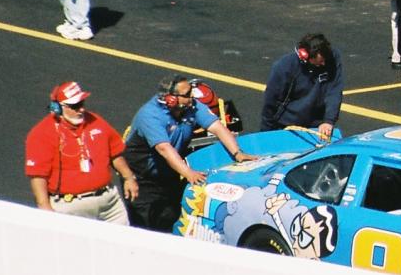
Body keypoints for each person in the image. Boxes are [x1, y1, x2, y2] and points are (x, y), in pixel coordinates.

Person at [124, 75, 253, 232]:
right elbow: (165, 149)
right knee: (147, 224)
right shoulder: (150, 116)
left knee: (175, 216)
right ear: (171, 99)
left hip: (168, 171)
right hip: (142, 178)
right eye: (187, 94)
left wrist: (237, 153)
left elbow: (217, 127)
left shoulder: (192, 106)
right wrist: (188, 173)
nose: (192, 96)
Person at [25, 80, 138, 224]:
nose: (81, 109)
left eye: (82, 103)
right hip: (71, 207)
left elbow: (114, 152)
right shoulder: (42, 133)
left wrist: (128, 177)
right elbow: (38, 175)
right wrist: (44, 206)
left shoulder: (95, 121)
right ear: (58, 108)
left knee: (122, 237)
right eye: (75, 106)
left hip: (109, 203)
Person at [259, 33, 344, 141]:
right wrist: (265, 134)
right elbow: (271, 102)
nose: (323, 64)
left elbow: (334, 91)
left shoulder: (332, 58)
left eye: (325, 60)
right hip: (287, 127)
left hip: (316, 125)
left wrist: (328, 121)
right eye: (319, 62)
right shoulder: (284, 67)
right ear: (304, 56)